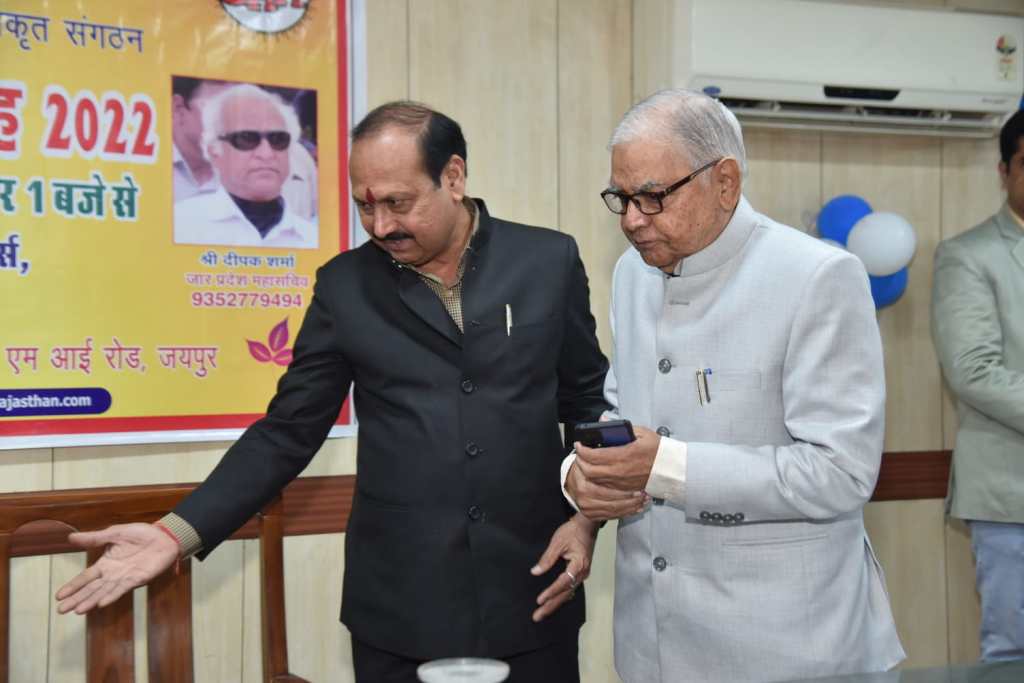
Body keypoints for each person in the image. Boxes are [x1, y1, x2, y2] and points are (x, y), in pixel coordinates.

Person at [57, 101, 609, 683]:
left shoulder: (547, 261)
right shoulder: (346, 287)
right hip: (401, 606)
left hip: (533, 591)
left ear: (453, 177)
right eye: (365, 206)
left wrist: (586, 519)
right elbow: (287, 431)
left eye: (398, 203)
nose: (381, 226)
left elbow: (587, 403)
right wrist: (176, 533)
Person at [561, 89, 905, 682]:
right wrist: (581, 477)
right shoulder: (633, 273)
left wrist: (667, 466)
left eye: (652, 197)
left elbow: (841, 472)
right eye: (621, 198)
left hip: (786, 647)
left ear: (725, 182)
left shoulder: (816, 276)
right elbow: (623, 413)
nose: (632, 220)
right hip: (653, 645)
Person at [931, 109, 1024, 663]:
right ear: (1004, 170)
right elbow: (973, 370)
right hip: (1012, 500)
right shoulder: (969, 256)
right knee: (1013, 658)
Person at [173, 83, 318, 248]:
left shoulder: (313, 238)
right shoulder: (180, 226)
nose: (266, 154)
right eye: (246, 138)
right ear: (214, 151)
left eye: (278, 139)